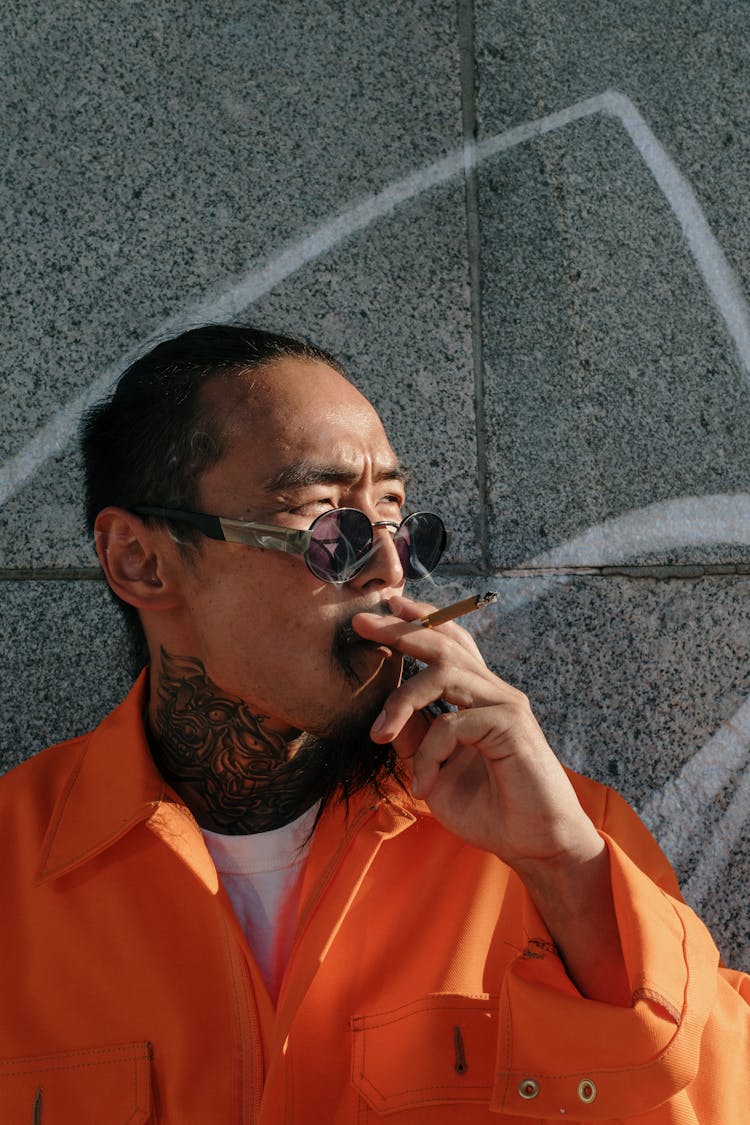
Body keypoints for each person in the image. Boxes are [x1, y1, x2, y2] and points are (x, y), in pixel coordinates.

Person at [1, 324, 747, 1124]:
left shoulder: (561, 839)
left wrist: (568, 877)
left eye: (394, 515)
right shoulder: (17, 871)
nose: (391, 570)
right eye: (328, 526)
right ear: (141, 561)